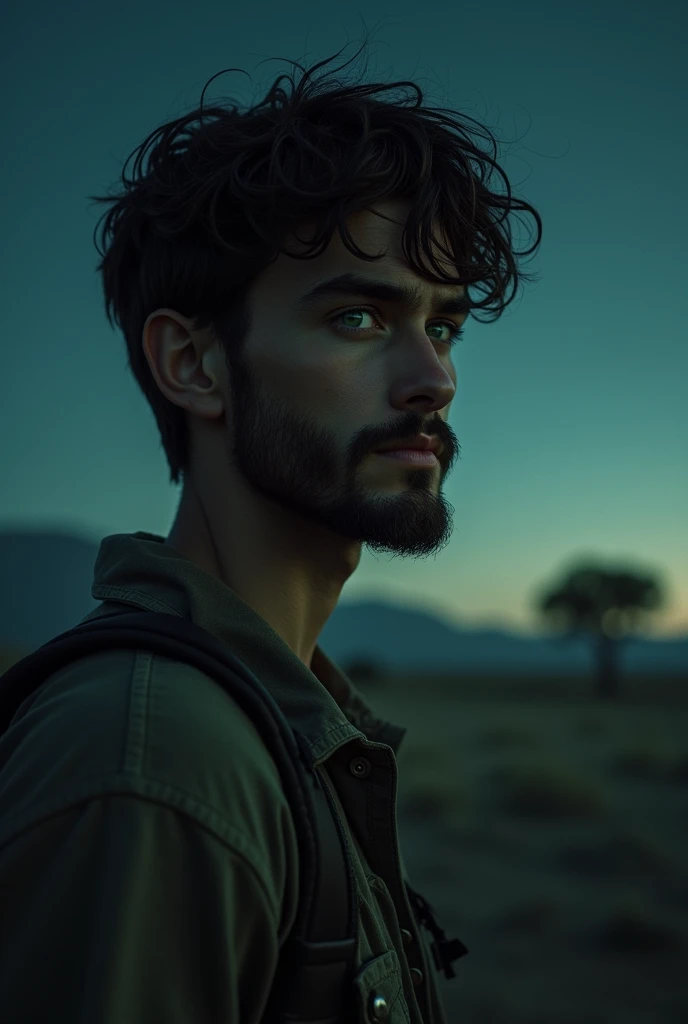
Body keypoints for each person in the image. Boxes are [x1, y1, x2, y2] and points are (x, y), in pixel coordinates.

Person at [0, 32, 541, 1023]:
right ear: (193, 365)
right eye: (358, 319)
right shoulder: (157, 763)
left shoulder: (261, 720)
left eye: (445, 324)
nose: (434, 379)